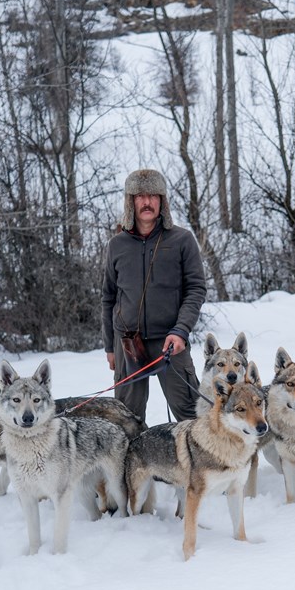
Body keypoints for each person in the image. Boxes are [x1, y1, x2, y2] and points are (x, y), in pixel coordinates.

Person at [102, 169, 207, 423]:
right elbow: (108, 297)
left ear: (162, 200)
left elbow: (196, 289)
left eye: (153, 195)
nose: (146, 202)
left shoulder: (182, 240)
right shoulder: (117, 245)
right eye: (140, 196)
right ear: (131, 201)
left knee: (191, 416)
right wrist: (110, 347)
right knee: (126, 420)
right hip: (127, 343)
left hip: (170, 342)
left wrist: (181, 330)